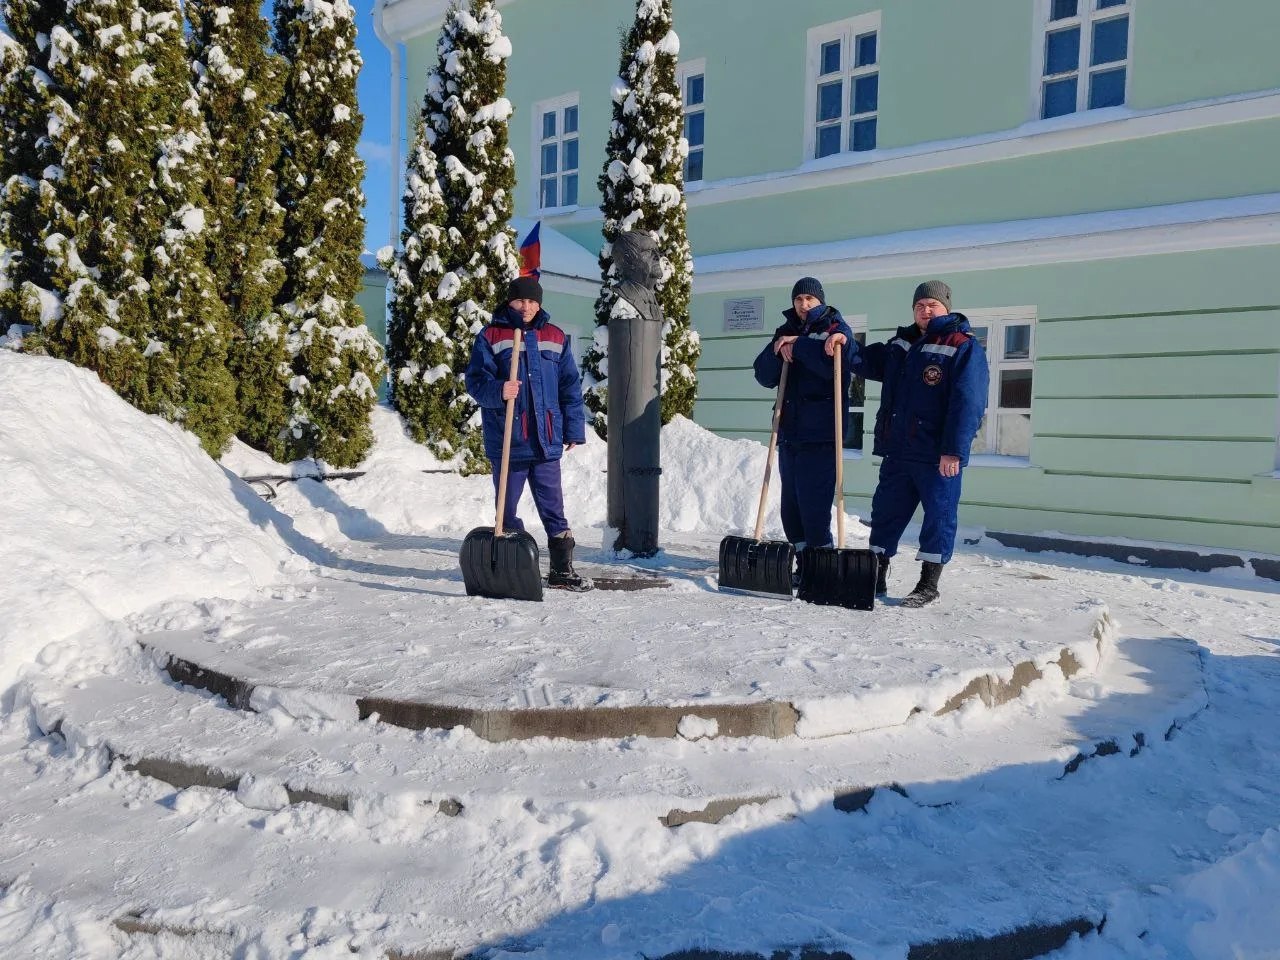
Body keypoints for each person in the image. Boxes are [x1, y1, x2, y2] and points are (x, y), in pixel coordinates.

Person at [840, 280, 988, 607]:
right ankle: (876, 575)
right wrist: (840, 338)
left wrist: (954, 450)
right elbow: (863, 360)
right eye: (919, 305)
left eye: (932, 305)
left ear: (946, 308)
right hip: (898, 451)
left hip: (937, 455)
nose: (925, 310)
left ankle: (928, 584)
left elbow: (969, 402)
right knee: (885, 513)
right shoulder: (901, 344)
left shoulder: (962, 346)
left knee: (939, 516)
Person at [465, 275, 593, 592]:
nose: (526, 307)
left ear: (539, 304)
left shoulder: (555, 336)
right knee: (505, 511)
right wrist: (499, 390)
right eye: (520, 300)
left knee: (554, 509)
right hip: (509, 440)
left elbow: (569, 386)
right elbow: (476, 382)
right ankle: (517, 566)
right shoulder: (491, 336)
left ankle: (562, 570)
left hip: (546, 440)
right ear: (509, 302)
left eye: (533, 301)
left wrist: (573, 428)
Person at [753, 277, 856, 582]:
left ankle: (822, 566)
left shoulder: (836, 328)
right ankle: (803, 562)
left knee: (813, 506)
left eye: (810, 299)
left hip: (822, 434)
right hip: (789, 432)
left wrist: (798, 346)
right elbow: (763, 376)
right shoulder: (784, 330)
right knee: (791, 507)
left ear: (820, 301)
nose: (804, 304)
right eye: (798, 299)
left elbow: (831, 366)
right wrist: (777, 350)